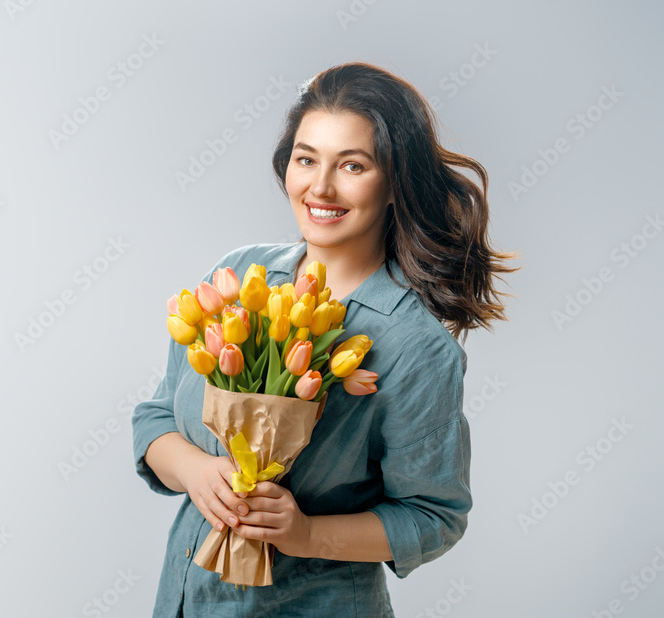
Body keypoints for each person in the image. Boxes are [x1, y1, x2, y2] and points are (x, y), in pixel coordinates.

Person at [132, 62, 519, 617]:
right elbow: (157, 418)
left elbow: (434, 517)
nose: (320, 186)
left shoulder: (414, 345)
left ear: (393, 185)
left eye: (352, 165)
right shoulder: (239, 280)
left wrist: (306, 533)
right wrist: (196, 474)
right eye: (306, 158)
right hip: (187, 600)